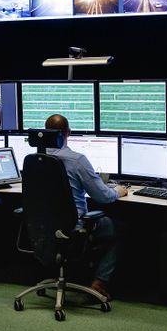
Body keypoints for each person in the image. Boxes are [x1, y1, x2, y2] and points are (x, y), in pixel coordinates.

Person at [44, 114, 128, 300]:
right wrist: (119, 191)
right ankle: (99, 282)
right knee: (119, 228)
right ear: (68, 133)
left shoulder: (34, 159)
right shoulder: (76, 160)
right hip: (77, 227)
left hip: (44, 228)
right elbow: (103, 197)